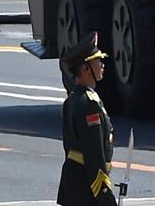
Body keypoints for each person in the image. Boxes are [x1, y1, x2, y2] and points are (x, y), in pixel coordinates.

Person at [57, 32, 116, 206]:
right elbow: (94, 154)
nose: (102, 65)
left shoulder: (73, 99)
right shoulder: (89, 105)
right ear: (85, 69)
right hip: (86, 190)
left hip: (74, 186)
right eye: (97, 61)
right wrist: (104, 195)